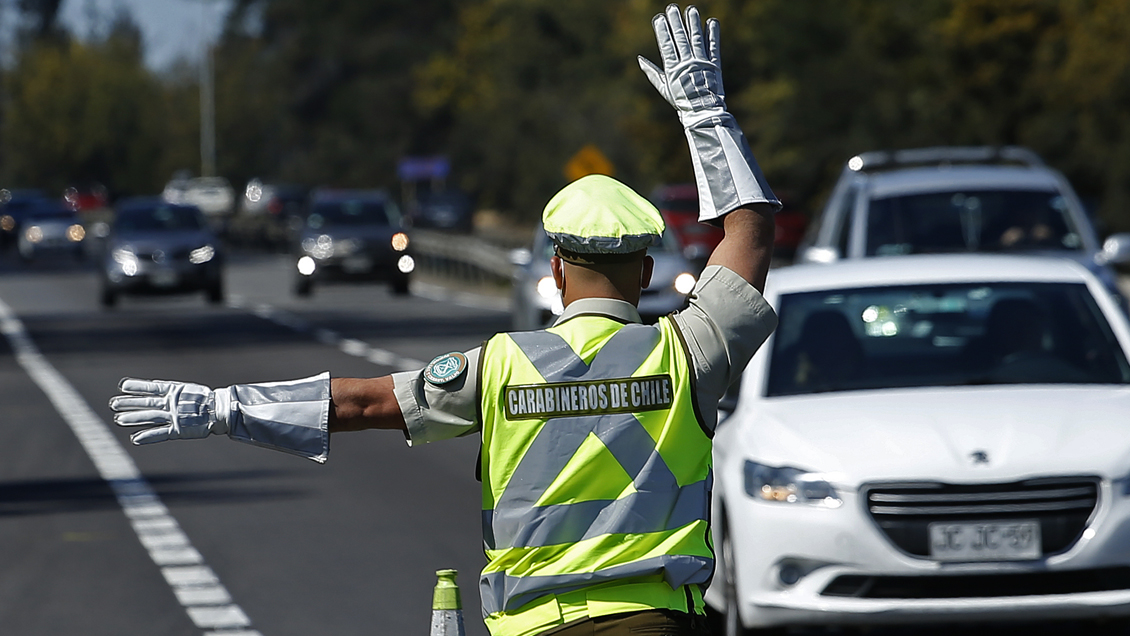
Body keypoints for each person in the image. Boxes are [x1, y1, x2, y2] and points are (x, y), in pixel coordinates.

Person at [109, 6, 779, 636]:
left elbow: (360, 403)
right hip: (657, 624)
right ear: (645, 272)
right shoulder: (689, 353)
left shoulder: (499, 367)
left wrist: (224, 407)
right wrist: (706, 115)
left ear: (555, 271)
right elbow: (749, 231)